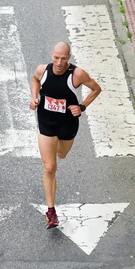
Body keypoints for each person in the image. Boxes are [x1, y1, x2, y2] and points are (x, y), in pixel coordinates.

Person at [30, 41, 101, 228]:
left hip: (67, 124)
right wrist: (34, 97)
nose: (59, 62)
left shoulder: (77, 75)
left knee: (61, 154)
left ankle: (52, 173)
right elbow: (34, 79)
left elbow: (96, 89)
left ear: (69, 58)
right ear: (51, 55)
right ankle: (51, 212)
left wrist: (82, 106)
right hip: (46, 122)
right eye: (56, 58)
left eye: (63, 58)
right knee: (49, 166)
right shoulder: (42, 71)